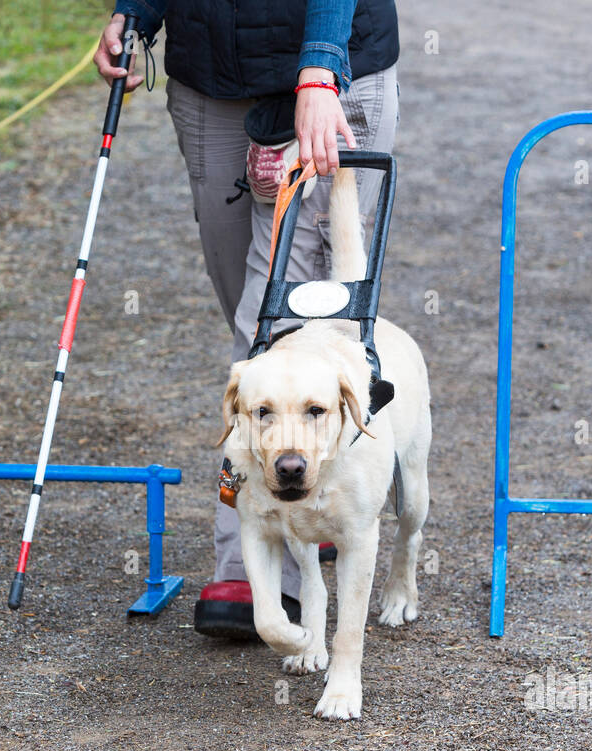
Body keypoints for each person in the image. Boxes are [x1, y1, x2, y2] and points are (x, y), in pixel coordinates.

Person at [93, 1, 399, 640]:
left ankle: (258, 562)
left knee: (276, 328)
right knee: (245, 308)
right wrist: (137, 11)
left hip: (325, 77)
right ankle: (307, 518)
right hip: (211, 78)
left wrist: (320, 70)